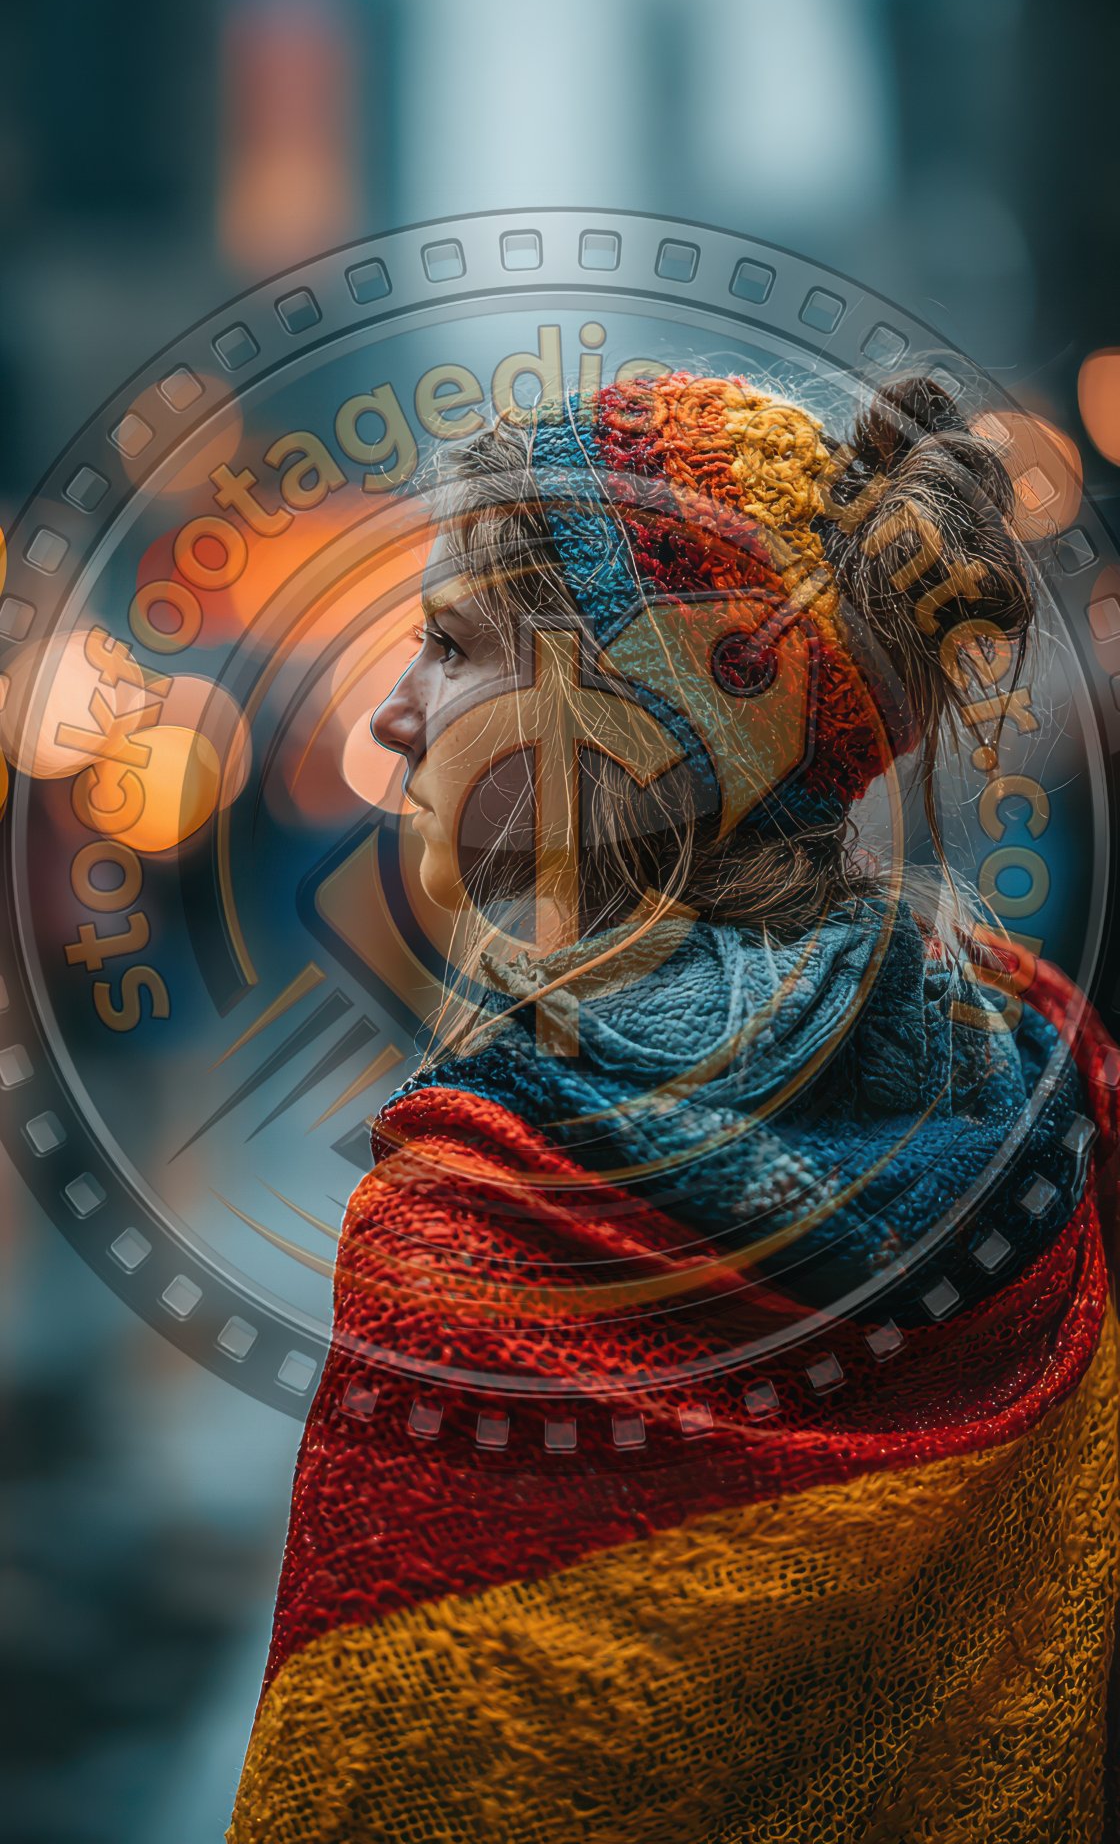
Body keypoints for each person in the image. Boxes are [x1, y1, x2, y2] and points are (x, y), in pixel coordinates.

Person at [229, 370, 1120, 1843]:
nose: (392, 716)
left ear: (633, 722)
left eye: (450, 648)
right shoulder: (1043, 1080)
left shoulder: (483, 1213)